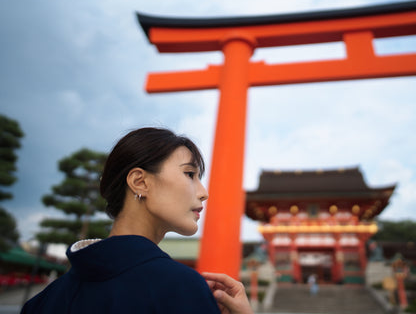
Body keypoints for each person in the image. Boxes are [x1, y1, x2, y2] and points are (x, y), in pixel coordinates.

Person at [21, 127, 253, 314]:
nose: (203, 192)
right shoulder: (180, 288)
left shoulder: (41, 302)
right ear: (140, 182)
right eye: (190, 174)